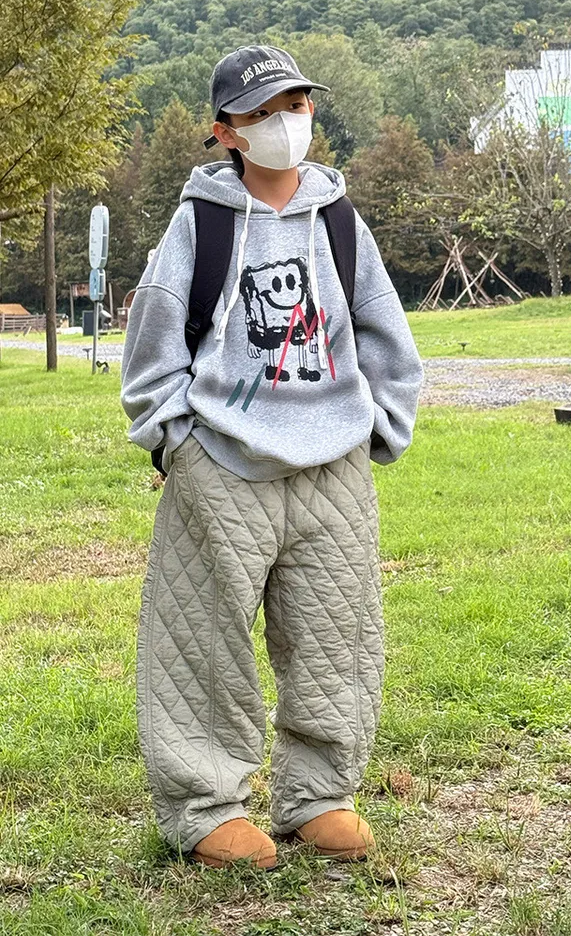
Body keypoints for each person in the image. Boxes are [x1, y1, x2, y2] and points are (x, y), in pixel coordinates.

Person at [120, 45, 423, 871]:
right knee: (201, 639)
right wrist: (177, 440)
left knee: (336, 634)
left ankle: (319, 793)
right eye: (261, 113)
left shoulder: (338, 217)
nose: (285, 123)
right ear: (226, 131)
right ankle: (205, 806)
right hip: (224, 464)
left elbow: (384, 329)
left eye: (295, 105)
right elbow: (152, 344)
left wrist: (378, 426)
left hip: (333, 469)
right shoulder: (202, 222)